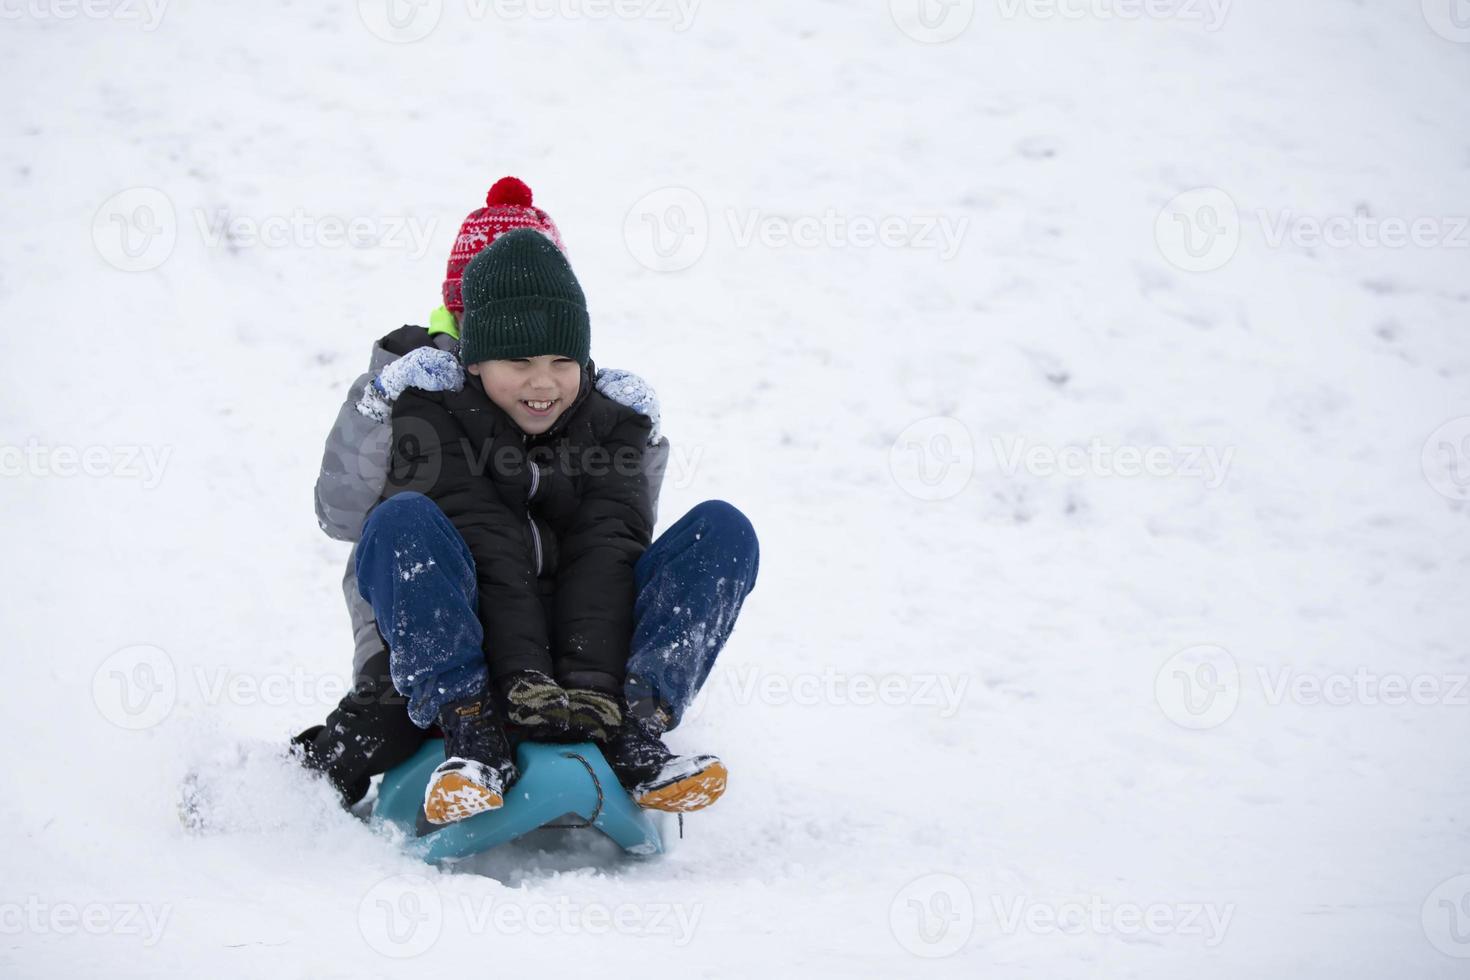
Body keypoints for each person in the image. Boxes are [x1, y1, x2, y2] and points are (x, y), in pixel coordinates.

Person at [294, 184, 758, 825]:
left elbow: (618, 536)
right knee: (380, 719)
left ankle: (641, 717)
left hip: (574, 634)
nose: (541, 379)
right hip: (434, 627)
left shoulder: (579, 399)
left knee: (719, 531)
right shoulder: (406, 383)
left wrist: (643, 439)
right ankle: (305, 782)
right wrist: (378, 407)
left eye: (559, 355)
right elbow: (341, 513)